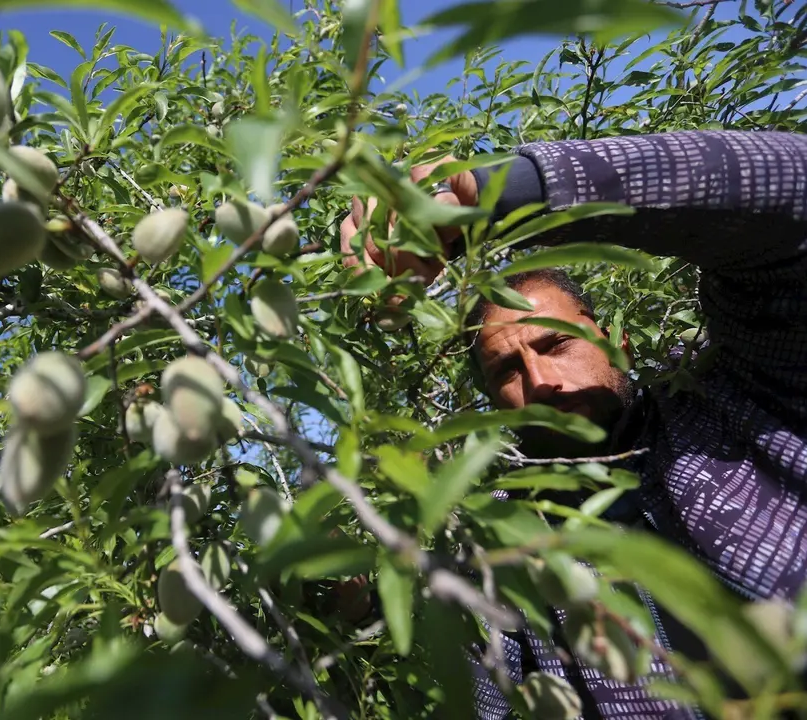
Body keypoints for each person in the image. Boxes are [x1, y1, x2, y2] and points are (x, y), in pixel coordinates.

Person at [339, 130, 807, 719]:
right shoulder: (503, 548)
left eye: (557, 343)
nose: (540, 382)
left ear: (618, 343)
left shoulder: (745, 399)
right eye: (507, 367)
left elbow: (792, 207)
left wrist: (502, 195)